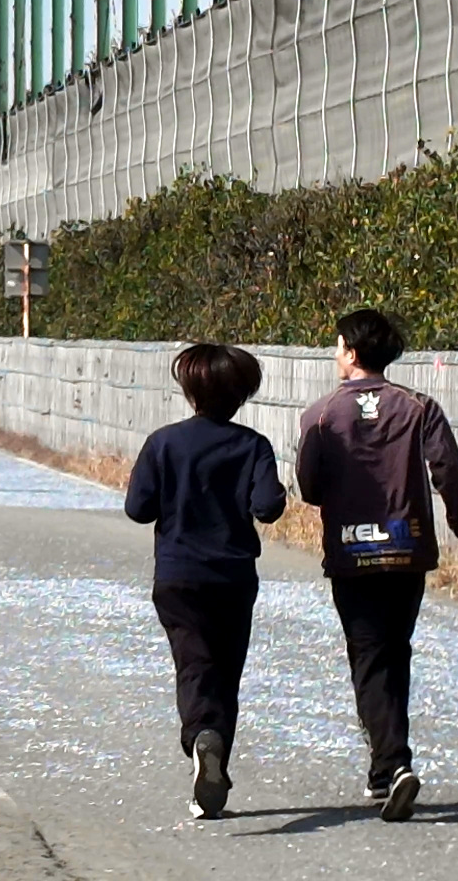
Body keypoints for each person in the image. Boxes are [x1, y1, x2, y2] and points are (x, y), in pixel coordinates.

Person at [296, 309, 458, 823]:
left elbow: (308, 488)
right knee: (395, 650)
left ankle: (392, 765)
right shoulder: (419, 407)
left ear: (351, 352)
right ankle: (386, 767)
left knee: (369, 655)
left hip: (352, 554)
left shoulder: (322, 414)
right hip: (408, 550)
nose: (335, 355)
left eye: (337, 346)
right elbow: (450, 474)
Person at [124, 343, 286, 821]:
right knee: (226, 673)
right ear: (241, 394)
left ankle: (200, 740)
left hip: (178, 574)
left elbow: (138, 509)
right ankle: (211, 769)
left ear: (190, 389)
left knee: (194, 665)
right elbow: (267, 506)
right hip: (233, 577)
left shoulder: (163, 442)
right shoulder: (253, 446)